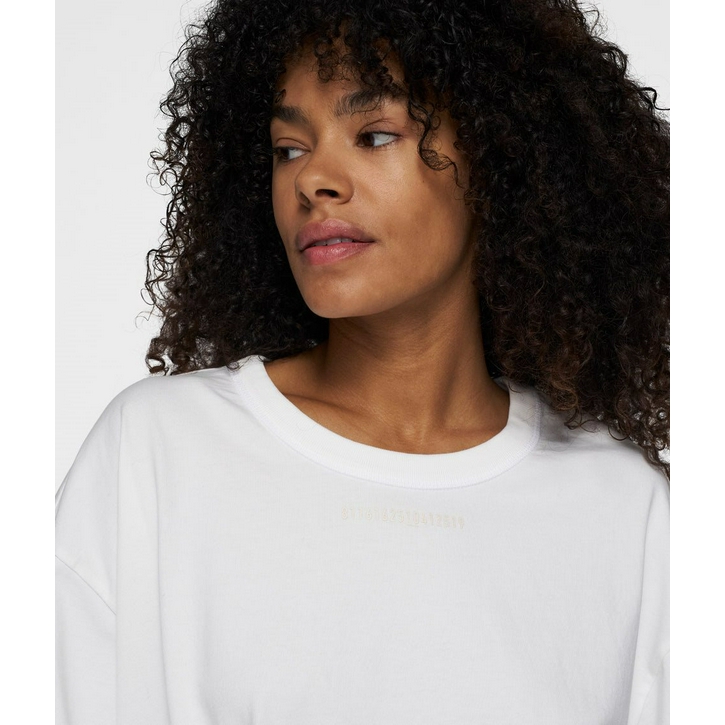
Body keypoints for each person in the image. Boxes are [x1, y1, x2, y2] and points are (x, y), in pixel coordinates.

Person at [55, 0, 670, 723]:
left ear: (499, 160)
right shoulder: (161, 451)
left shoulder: (624, 511)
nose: (313, 179)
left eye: (374, 135)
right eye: (288, 149)